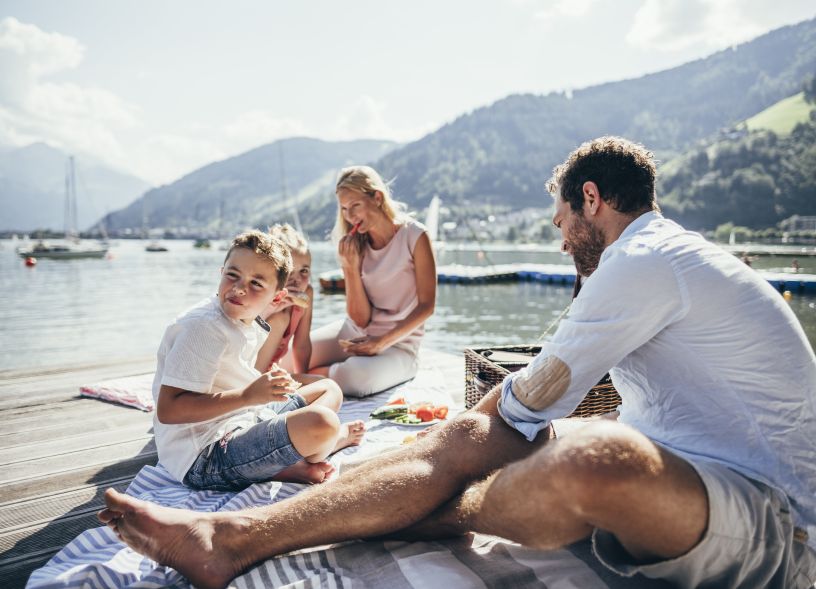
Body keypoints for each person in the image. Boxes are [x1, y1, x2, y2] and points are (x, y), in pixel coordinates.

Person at [100, 138, 816, 589]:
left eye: (563, 223)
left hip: (777, 522)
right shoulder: (660, 258)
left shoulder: (643, 260)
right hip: (700, 476)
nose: (563, 241)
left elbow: (515, 409)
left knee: (589, 455)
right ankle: (239, 536)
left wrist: (442, 457)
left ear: (590, 199)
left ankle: (389, 516)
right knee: (499, 439)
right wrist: (440, 446)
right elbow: (530, 403)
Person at [149, 229, 364, 491]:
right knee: (323, 423)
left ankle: (285, 459)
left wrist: (263, 391)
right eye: (233, 275)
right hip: (204, 456)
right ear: (221, 272)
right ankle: (315, 450)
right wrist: (248, 396)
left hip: (244, 418)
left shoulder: (246, 319)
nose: (239, 288)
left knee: (328, 388)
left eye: (256, 283)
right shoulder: (203, 329)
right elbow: (169, 411)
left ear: (276, 297)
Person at [307, 165, 437, 396]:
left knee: (357, 377)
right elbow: (360, 319)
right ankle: (314, 378)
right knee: (295, 354)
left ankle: (309, 380)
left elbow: (427, 306)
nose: (350, 216)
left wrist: (380, 343)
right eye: (344, 209)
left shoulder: (415, 236)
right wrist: (350, 267)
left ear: (377, 197)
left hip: (400, 344)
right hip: (356, 332)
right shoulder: (355, 245)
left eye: (355, 205)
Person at [256, 223, 315, 374]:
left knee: (324, 385)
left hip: (272, 370)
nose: (297, 279)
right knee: (279, 319)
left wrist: (302, 378)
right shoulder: (261, 295)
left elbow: (301, 344)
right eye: (289, 270)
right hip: (249, 374)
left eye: (304, 270)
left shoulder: (306, 293)